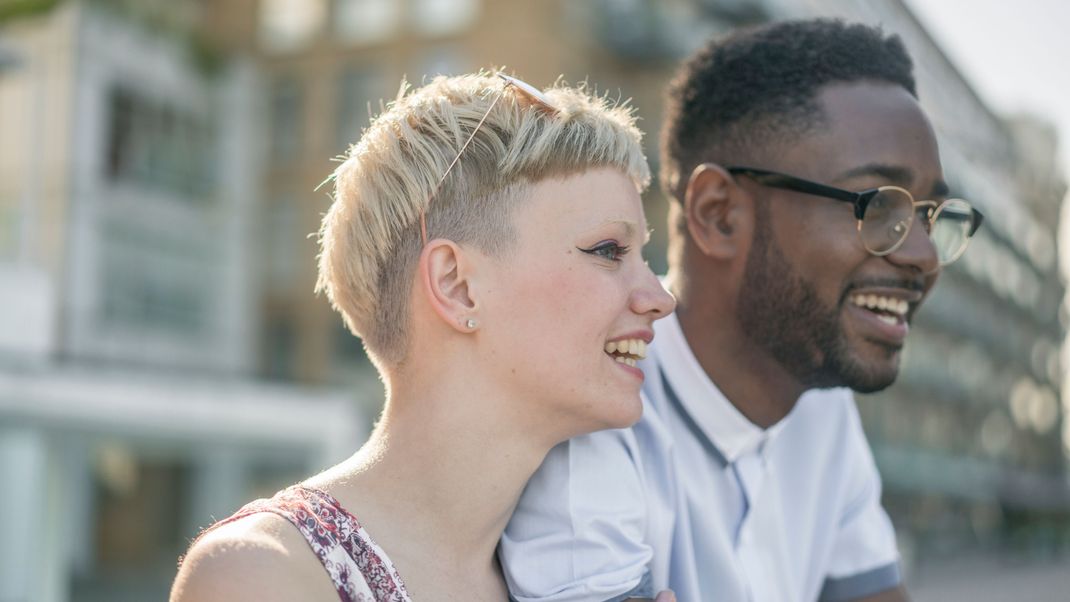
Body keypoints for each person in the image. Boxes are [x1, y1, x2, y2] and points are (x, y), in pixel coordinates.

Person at [500, 19, 984, 602]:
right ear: (719, 214)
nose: (925, 257)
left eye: (931, 216)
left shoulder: (822, 409)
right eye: (879, 205)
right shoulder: (587, 411)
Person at [170, 71, 676, 601]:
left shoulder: (582, 578)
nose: (661, 297)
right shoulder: (264, 577)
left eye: (644, 257)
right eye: (608, 250)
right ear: (457, 286)